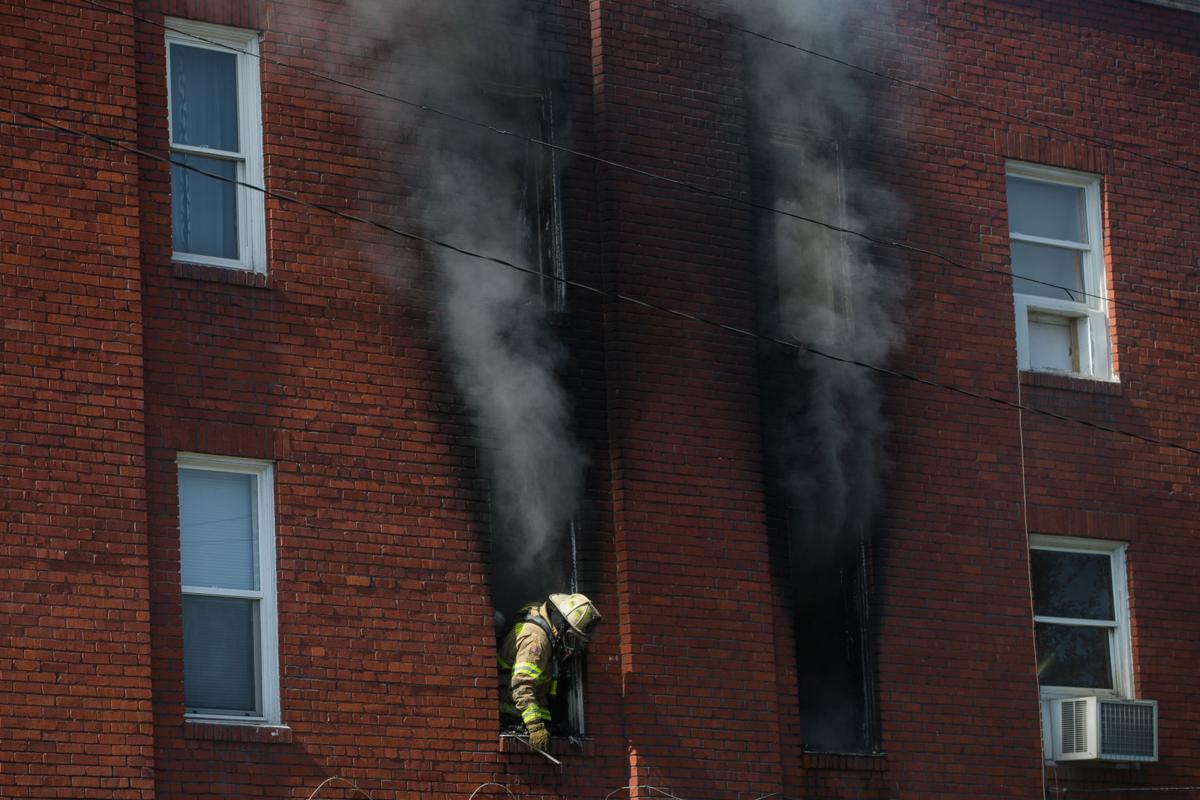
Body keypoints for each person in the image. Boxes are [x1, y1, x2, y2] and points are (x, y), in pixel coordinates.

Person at [497, 592, 601, 752]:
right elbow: (521, 685)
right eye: (573, 638)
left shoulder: (550, 635)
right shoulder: (537, 640)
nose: (574, 645)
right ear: (562, 625)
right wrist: (536, 727)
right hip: (511, 712)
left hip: (525, 711)